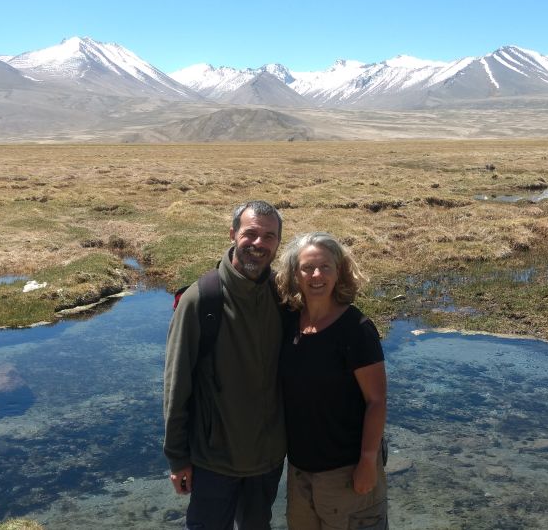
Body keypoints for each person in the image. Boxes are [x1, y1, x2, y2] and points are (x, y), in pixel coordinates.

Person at [163, 200, 287, 530]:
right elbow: (177, 387)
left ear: (278, 243)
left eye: (269, 236)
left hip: (267, 460)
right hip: (213, 462)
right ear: (232, 234)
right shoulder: (201, 299)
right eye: (250, 233)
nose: (259, 244)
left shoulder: (283, 295)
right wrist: (178, 458)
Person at [276, 232, 388, 530]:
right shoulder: (288, 322)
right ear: (294, 275)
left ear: (339, 271)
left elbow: (376, 402)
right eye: (307, 268)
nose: (317, 275)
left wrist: (367, 461)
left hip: (347, 470)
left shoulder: (356, 330)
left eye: (325, 267)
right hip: (300, 470)